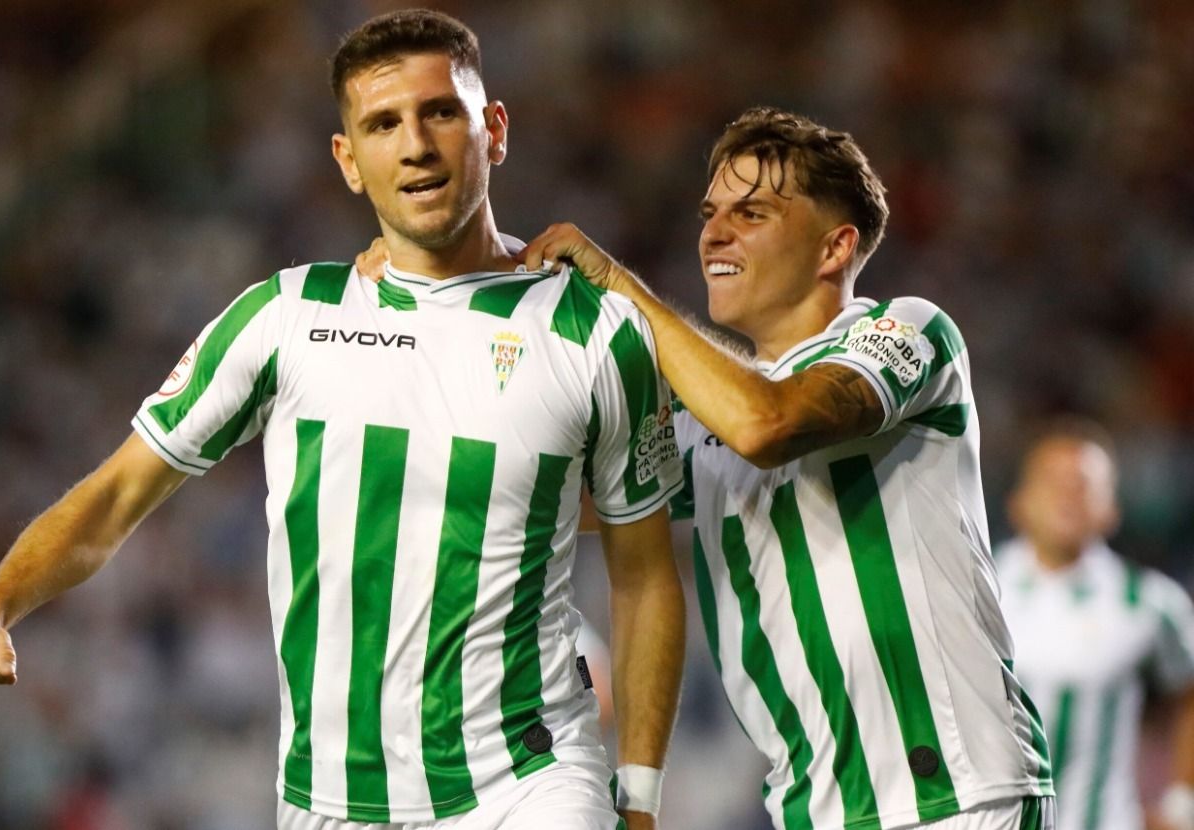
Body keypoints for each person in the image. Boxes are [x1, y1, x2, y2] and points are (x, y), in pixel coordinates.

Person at [0, 10, 687, 830]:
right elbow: (114, 498)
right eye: (382, 124)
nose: (415, 145)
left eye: (440, 112)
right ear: (348, 160)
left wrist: (640, 797)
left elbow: (645, 575)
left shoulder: (593, 329)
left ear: (494, 130)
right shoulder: (286, 317)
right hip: (331, 797)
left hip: (528, 783)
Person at [425, 106, 1056, 829]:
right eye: (710, 213)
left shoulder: (907, 330)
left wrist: (622, 293)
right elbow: (543, 498)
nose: (715, 232)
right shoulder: (703, 423)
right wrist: (455, 322)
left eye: (751, 213)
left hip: (957, 797)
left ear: (834, 247)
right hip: (814, 810)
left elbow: (769, 423)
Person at [996, 419, 1194, 830]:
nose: (1068, 496)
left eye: (1083, 485)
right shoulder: (977, 589)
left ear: (1112, 509)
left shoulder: (1149, 602)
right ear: (1018, 503)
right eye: (1054, 482)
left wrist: (1181, 801)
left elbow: (1187, 692)